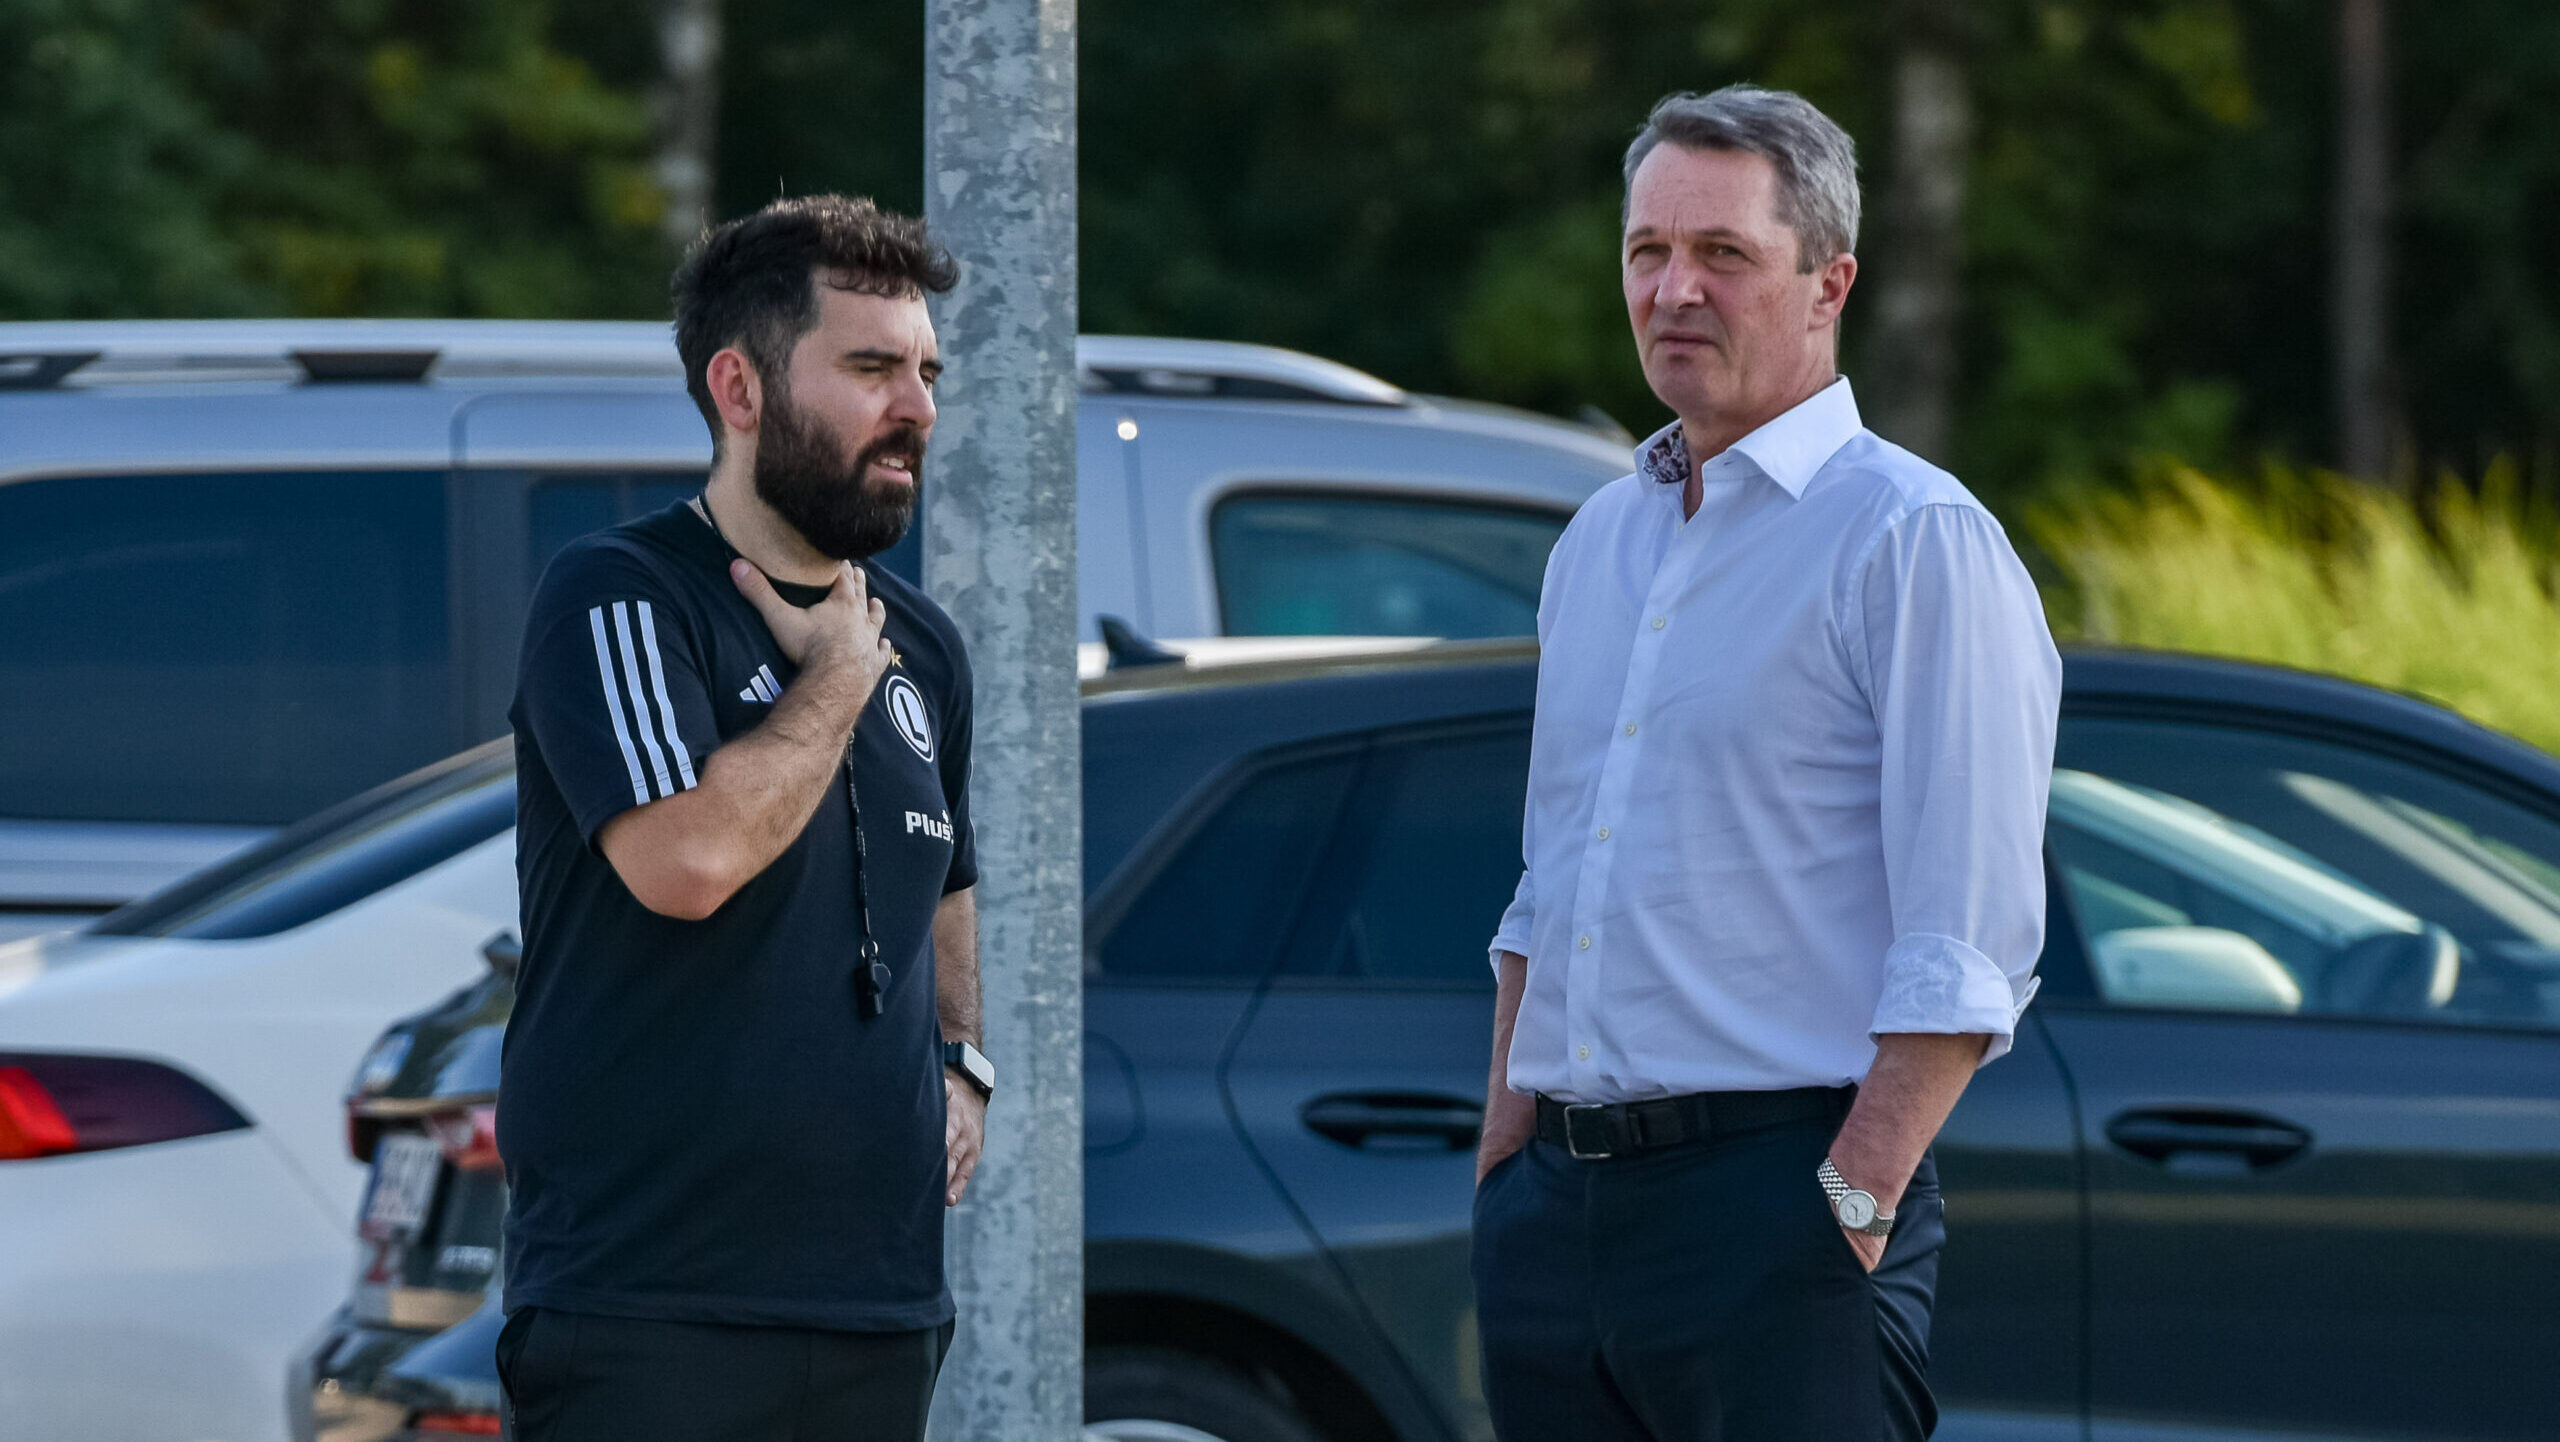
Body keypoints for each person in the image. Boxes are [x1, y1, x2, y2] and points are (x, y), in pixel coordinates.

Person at [1470, 86, 2061, 1441]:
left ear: (1827, 283)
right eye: (1647, 252)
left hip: (1781, 1212)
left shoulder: (1913, 541)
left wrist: (1849, 1208)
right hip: (1559, 1222)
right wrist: (1506, 1154)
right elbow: (1547, 888)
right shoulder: (1597, 543)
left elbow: (1966, 939)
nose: (1675, 288)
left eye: (1723, 254)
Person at [495, 194, 997, 1442]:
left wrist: (964, 1061)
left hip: (879, 1306)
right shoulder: (618, 595)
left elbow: (947, 880)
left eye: (926, 371)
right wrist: (833, 675)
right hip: (653, 1309)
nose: (917, 409)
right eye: (872, 367)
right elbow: (691, 857)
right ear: (741, 386)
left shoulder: (921, 645)